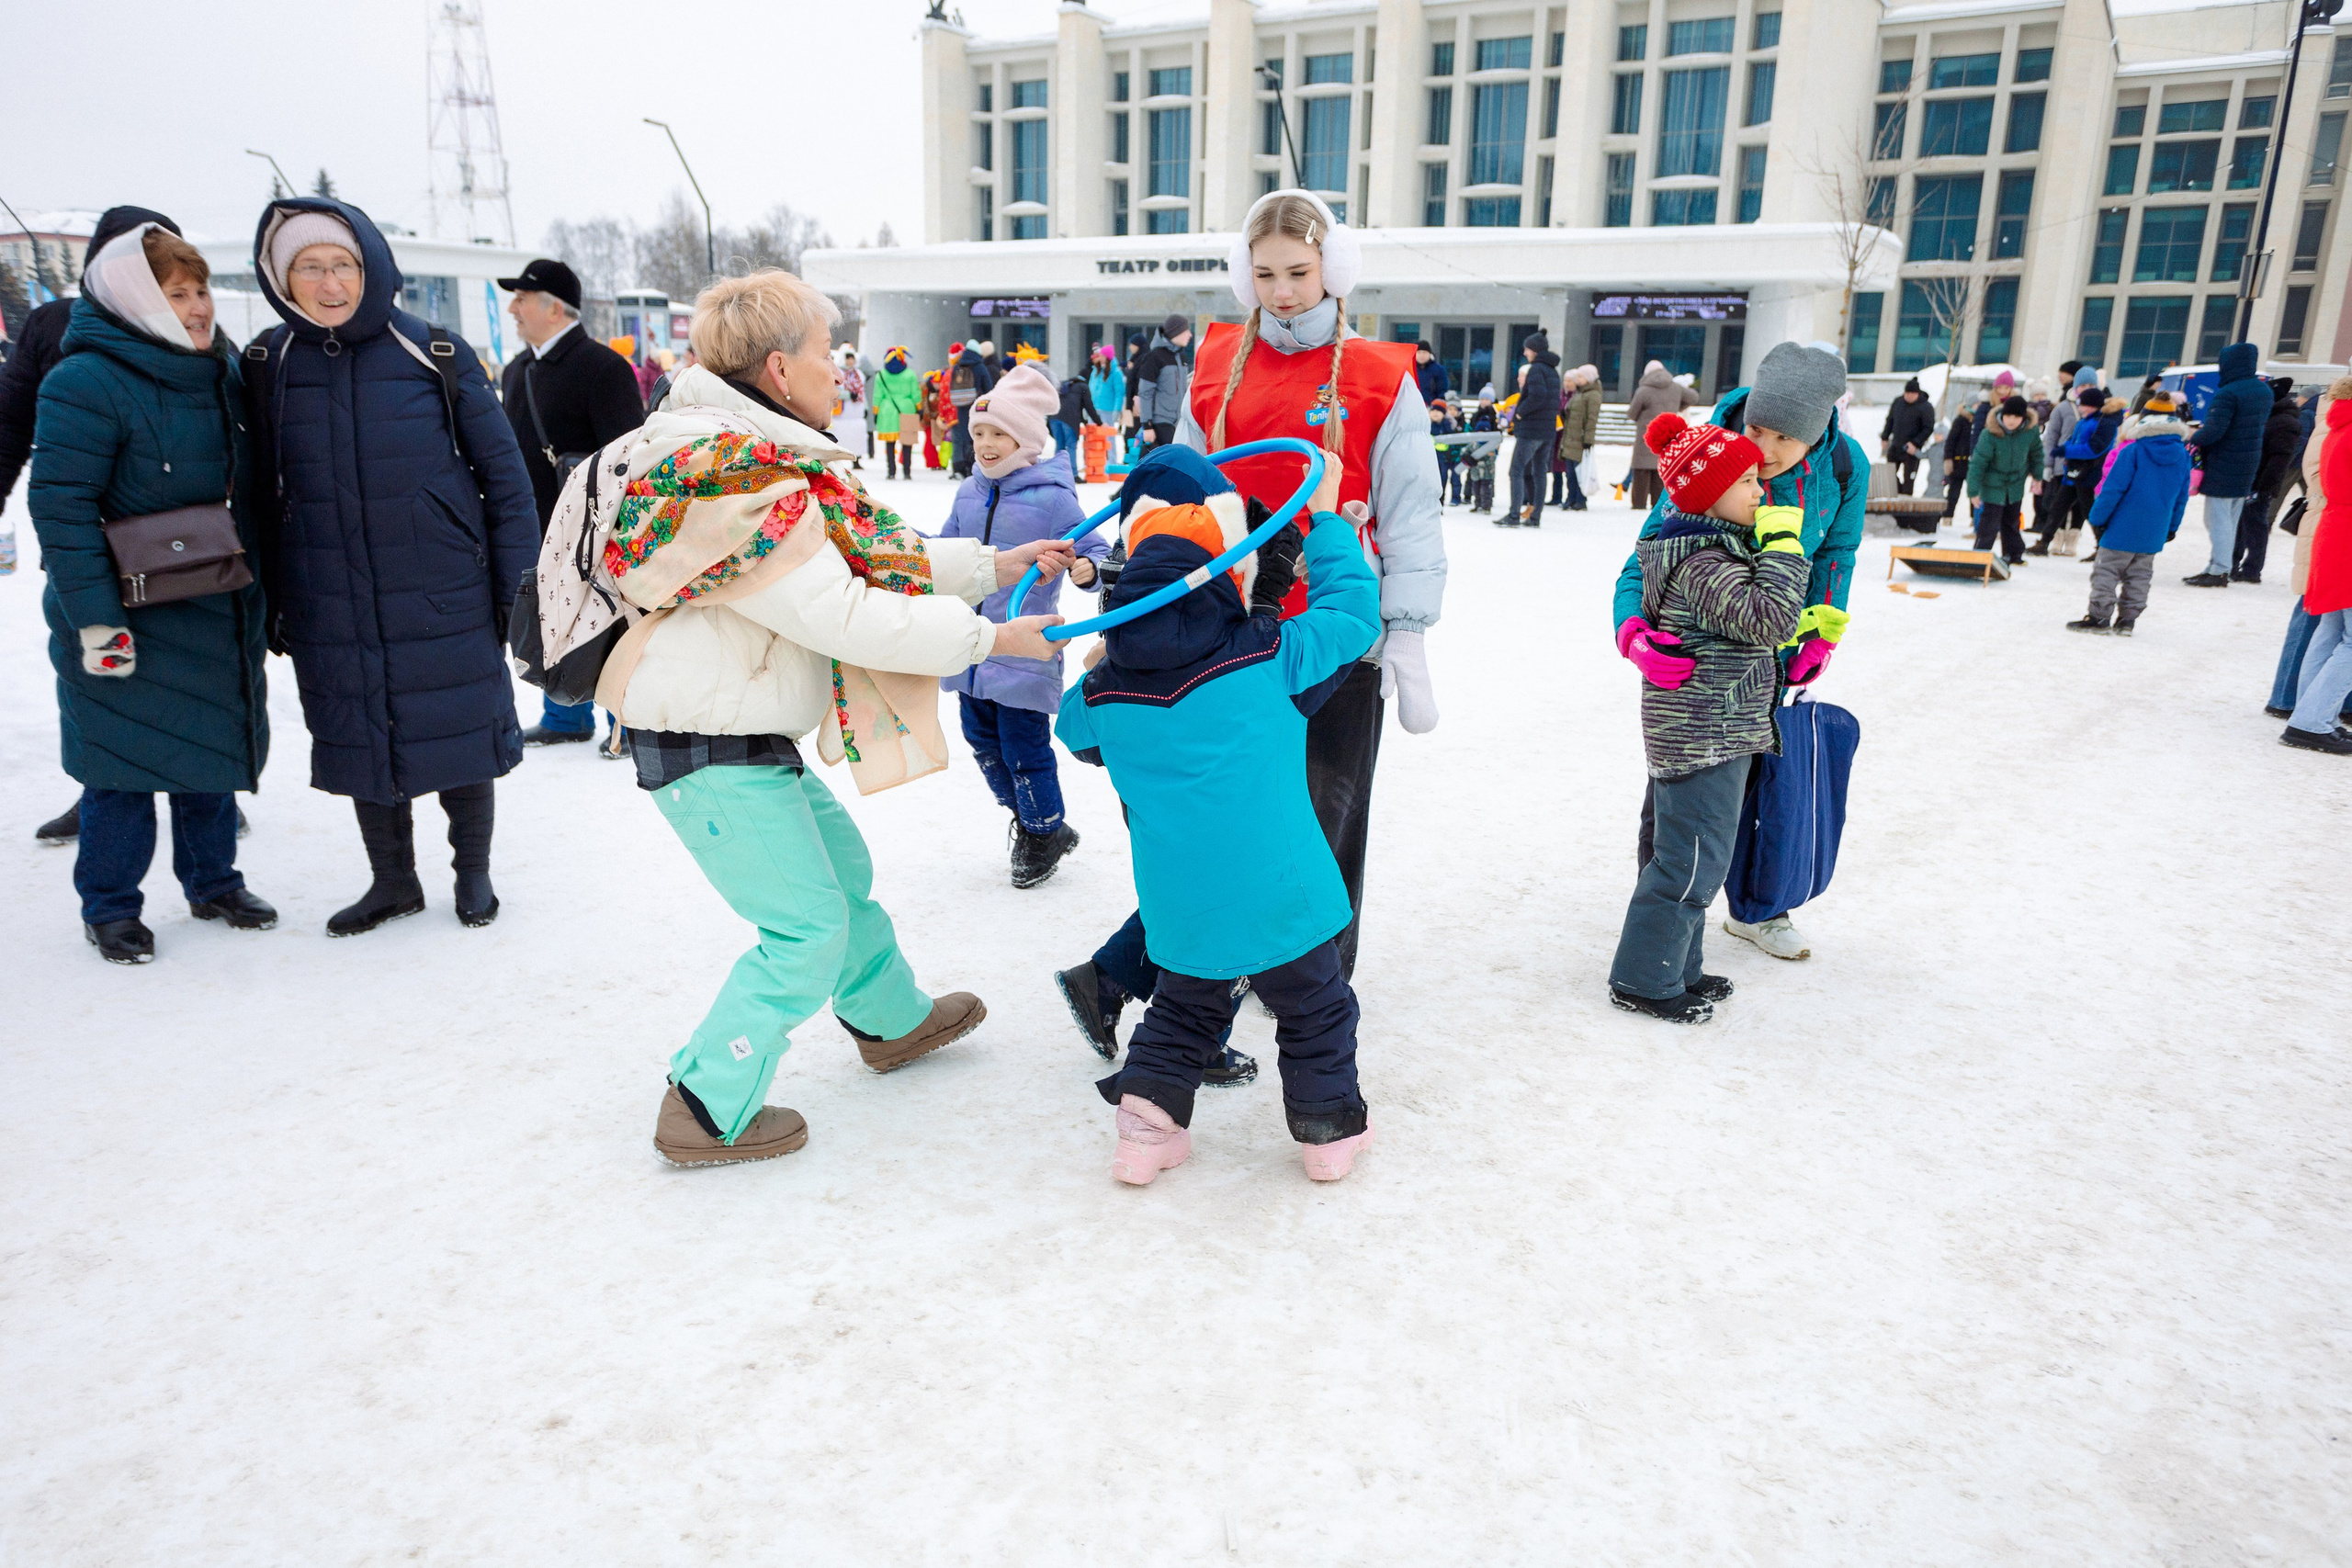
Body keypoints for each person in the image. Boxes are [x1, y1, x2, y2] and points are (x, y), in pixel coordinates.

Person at [580, 269, 1074, 1164]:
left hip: (738, 732)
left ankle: (889, 1020)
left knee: (838, 876)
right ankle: (703, 1103)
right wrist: (992, 638)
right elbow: (843, 610)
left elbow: (872, 552)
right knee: (804, 928)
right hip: (706, 743)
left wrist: (996, 567)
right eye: (823, 354)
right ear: (777, 369)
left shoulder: (759, 454)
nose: (839, 373)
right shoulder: (730, 478)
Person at [1058, 454, 1382, 1184]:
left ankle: (1144, 1135)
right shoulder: (1267, 656)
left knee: (1181, 1015)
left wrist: (1099, 661)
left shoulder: (1107, 698)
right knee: (1316, 1010)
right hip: (1284, 900)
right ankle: (1328, 1133)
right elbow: (1355, 615)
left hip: (1184, 914)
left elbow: (1072, 730)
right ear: (1230, 577)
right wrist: (1327, 519)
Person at [248, 197, 538, 935]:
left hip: (442, 590)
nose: (328, 281)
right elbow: (254, 489)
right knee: (361, 733)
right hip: (330, 594)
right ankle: (392, 882)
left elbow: (504, 479)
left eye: (341, 263)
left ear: (370, 267)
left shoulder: (433, 351)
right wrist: (272, 597)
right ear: (282, 279)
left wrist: (517, 591)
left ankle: (472, 873)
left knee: (462, 730)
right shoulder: (270, 363)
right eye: (307, 268)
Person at [1177, 188, 1445, 976]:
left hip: (1335, 628)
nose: (1284, 291)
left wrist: (1408, 630)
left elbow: (1410, 510)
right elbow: (1181, 492)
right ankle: (1247, 953)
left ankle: (1320, 973)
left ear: (1335, 267)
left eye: (1299, 270)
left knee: (1330, 807)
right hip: (1230, 624)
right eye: (1265, 274)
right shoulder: (1215, 362)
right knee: (1244, 809)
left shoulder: (1378, 374)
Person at [29, 220, 275, 963]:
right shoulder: (83, 381)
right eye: (177, 292)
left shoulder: (220, 369)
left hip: (214, 592)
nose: (199, 306)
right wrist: (94, 621)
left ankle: (214, 881)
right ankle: (109, 906)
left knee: (207, 747)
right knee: (119, 768)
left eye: (200, 289)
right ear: (137, 299)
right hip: (122, 606)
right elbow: (61, 508)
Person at [1611, 341, 1862, 964]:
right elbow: (1651, 552)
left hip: (1769, 649)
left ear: (1816, 432)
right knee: (1686, 786)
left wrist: (1821, 634)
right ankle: (1665, 910)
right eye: (1757, 428)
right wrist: (1632, 631)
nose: (1766, 451)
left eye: (1783, 438)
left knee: (1768, 783)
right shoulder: (1713, 453)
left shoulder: (1845, 467)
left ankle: (1760, 905)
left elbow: (1836, 556)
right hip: (1699, 666)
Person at [1, 205, 188, 852]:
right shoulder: (56, 326)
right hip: (85, 543)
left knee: (186, 669)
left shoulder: (187, 321)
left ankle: (201, 785)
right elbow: (11, 421)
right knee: (94, 676)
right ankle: (98, 793)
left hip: (180, 544)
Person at [1609, 414, 1805, 1025]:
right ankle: (1643, 979)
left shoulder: (1717, 551)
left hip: (1722, 727)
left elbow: (1756, 627)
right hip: (1703, 736)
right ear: (1708, 495)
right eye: (1746, 480)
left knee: (1704, 858)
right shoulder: (1703, 563)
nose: (1760, 490)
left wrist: (1811, 627)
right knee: (1688, 862)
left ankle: (1679, 965)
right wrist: (1786, 547)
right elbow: (1766, 618)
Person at [935, 363, 1106, 885]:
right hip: (972, 649)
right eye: (978, 433)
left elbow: (1093, 543)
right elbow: (941, 552)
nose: (984, 444)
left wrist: (1087, 567)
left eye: (998, 434)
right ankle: (1038, 823)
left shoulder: (1052, 497)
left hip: (1026, 651)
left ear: (1026, 440)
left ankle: (1040, 829)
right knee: (982, 743)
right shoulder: (968, 493)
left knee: (1024, 748)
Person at [496, 257, 646, 753]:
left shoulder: (603, 366)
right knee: (552, 616)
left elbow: (630, 454)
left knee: (605, 617)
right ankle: (564, 716)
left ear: (554, 307)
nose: (513, 308)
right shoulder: (518, 370)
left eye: (521, 297)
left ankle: (625, 719)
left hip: (597, 529)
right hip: (537, 522)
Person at [2066, 391, 2192, 637]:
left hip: (2122, 527)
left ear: (2144, 421)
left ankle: (2099, 617)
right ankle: (2127, 621)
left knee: (2107, 570)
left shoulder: (2132, 452)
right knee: (2140, 575)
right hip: (2155, 529)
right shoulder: (2182, 456)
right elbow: (2181, 496)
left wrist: (2097, 519)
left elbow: (2113, 490)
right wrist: (2172, 527)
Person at [2268, 377, 2352, 734]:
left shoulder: (2336, 426)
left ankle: (2313, 714)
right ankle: (2311, 719)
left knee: (2330, 631)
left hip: (2334, 531)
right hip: (2344, 532)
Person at [2185, 344, 2267, 587]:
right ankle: (2218, 566)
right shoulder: (2262, 390)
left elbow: (2214, 433)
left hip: (2224, 464)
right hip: (2248, 463)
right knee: (2230, 520)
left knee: (2217, 520)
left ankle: (2218, 571)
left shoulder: (2228, 393)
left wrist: (2191, 435)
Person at [2236, 378, 2304, 584]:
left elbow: (2279, 458)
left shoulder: (2285, 421)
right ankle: (2236, 564)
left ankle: (2252, 570)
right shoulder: (2272, 416)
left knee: (2256, 525)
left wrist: (2264, 487)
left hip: (2262, 483)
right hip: (2253, 479)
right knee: (2243, 524)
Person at [1968, 394, 2041, 564]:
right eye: (2008, 416)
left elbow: (2037, 453)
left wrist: (2037, 475)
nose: (2011, 421)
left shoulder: (2029, 432)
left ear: (2023, 418)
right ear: (2003, 415)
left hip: (2015, 484)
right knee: (1989, 523)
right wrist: (1973, 490)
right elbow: (1978, 463)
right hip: (1993, 483)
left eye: (2016, 417)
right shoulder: (1991, 433)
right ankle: (1980, 555)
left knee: (2012, 521)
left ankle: (2013, 554)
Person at [1624, 359, 1702, 512]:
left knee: (1641, 469)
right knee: (1661, 469)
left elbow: (1632, 413)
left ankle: (1638, 504)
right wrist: (1679, 406)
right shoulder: (1675, 387)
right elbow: (1693, 397)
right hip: (1667, 433)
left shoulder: (1643, 390)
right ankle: (1657, 504)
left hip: (1645, 434)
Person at [1504, 331, 1562, 527]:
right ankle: (1535, 516)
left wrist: (1519, 413)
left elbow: (1538, 396)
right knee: (1539, 472)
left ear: (1534, 350)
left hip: (1531, 429)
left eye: (1527, 348)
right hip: (1547, 430)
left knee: (1516, 470)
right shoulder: (1552, 370)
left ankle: (1513, 515)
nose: (1525, 352)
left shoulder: (1536, 369)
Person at [1131, 313, 1193, 450]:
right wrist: (1147, 426)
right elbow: (1145, 393)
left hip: (1179, 421)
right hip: (1160, 422)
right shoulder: (1154, 357)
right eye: (1186, 331)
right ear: (1176, 332)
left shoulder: (1181, 357)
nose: (1190, 335)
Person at [868, 345, 922, 480]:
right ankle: (907, 472)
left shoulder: (881, 375)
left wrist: (875, 412)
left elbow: (877, 396)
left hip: (887, 410)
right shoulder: (910, 374)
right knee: (907, 443)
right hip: (907, 409)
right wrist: (919, 408)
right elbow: (916, 393)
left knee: (890, 443)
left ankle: (891, 472)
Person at [947, 335, 996, 479]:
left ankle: (963, 468)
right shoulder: (980, 366)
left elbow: (951, 387)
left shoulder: (957, 366)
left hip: (961, 408)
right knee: (975, 438)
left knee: (963, 438)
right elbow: (989, 388)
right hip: (976, 408)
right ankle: (974, 469)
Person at [1556, 362, 1600, 513]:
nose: (1578, 379)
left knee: (1579, 471)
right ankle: (1571, 498)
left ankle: (1580, 499)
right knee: (1570, 472)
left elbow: (1591, 419)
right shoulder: (1579, 393)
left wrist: (1588, 439)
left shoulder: (1592, 394)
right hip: (1570, 437)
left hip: (1580, 440)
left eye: (1581, 376)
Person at [1883, 378, 1935, 496]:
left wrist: (1915, 443)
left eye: (1912, 394)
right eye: (1907, 393)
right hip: (1896, 445)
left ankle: (1905, 499)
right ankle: (1897, 492)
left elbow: (1928, 428)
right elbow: (1890, 420)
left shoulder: (1925, 407)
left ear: (1917, 394)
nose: (1909, 396)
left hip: (1912, 449)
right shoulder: (1898, 402)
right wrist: (1885, 436)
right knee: (1889, 475)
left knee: (1909, 479)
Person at [1087, 343, 1126, 468]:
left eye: (1102, 355)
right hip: (1094, 409)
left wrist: (1117, 409)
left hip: (1107, 409)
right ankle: (1093, 462)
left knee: (1109, 437)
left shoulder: (1116, 373)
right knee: (1092, 437)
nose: (1100, 357)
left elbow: (1119, 393)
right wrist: (1086, 406)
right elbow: (1090, 389)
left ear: (1108, 357)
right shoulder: (1096, 371)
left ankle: (1112, 461)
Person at [1939, 404, 1974, 523]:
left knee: (1974, 491)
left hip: (1972, 462)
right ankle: (1948, 516)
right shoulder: (1960, 421)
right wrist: (1948, 458)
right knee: (1954, 491)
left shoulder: (1979, 421)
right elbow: (1951, 440)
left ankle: (1975, 518)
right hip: (1959, 461)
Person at [1412, 341, 1450, 409]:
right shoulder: (1410, 369)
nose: (1421, 355)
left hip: (1431, 407)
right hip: (1413, 406)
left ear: (1429, 354)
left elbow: (1443, 389)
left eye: (1424, 353)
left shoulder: (1438, 369)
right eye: (1419, 352)